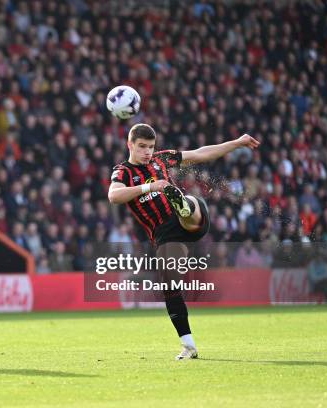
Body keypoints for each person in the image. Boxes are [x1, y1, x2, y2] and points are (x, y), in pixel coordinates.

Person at [108, 123, 259, 360]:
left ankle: (183, 206)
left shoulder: (162, 159)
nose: (147, 152)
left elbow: (200, 153)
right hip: (165, 236)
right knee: (169, 286)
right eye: (142, 147)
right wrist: (150, 186)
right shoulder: (123, 171)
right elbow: (114, 195)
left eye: (150, 147)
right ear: (130, 145)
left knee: (186, 207)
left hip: (193, 218)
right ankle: (189, 345)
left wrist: (237, 143)